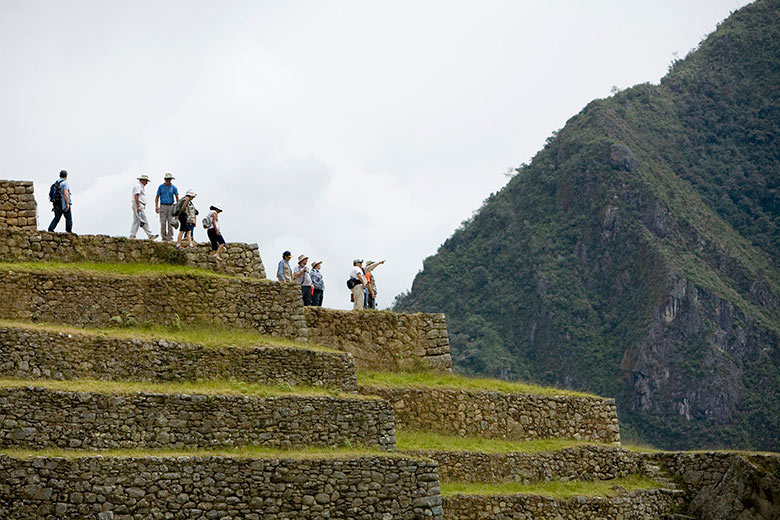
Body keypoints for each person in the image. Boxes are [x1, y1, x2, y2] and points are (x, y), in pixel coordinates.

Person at [130, 175, 159, 240]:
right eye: (146, 181)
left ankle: (132, 235)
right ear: (142, 180)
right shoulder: (138, 186)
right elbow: (136, 196)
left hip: (138, 204)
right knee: (143, 219)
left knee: (137, 220)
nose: (146, 183)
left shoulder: (140, 186)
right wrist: (138, 206)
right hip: (138, 204)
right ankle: (150, 235)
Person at [155, 173, 179, 241]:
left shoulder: (174, 187)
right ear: (165, 179)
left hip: (171, 206)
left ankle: (170, 237)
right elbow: (157, 197)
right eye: (167, 179)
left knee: (170, 223)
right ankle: (164, 237)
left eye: (169, 179)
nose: (168, 180)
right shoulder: (161, 187)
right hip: (162, 206)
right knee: (163, 223)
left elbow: (177, 197)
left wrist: (177, 207)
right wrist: (156, 206)